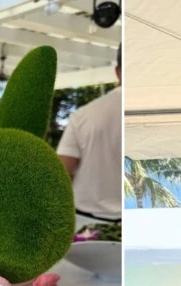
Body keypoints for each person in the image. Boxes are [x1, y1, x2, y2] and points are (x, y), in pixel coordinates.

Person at [57, 44, 122, 222]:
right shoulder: (153, 110)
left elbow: (62, 171)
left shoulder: (83, 115)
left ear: (117, 72)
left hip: (87, 221)